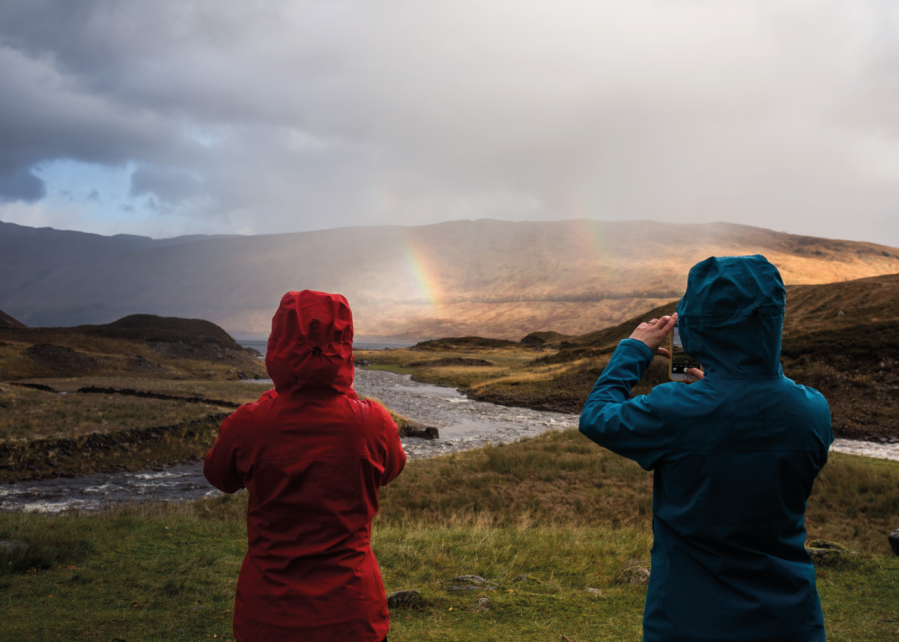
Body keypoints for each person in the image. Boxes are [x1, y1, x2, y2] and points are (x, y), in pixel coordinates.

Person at [579, 255, 833, 642]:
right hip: (791, 622)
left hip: (688, 622)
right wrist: (725, 381)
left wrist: (633, 349)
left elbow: (596, 416)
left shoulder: (677, 411)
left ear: (696, 326)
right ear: (774, 322)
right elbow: (759, 408)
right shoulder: (813, 410)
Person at [204, 290, 406, 642]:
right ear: (345, 344)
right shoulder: (373, 422)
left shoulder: (248, 423)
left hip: (268, 619)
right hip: (353, 617)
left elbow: (218, 476)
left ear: (277, 344)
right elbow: (391, 470)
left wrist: (272, 400)